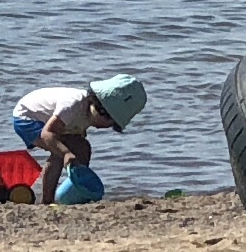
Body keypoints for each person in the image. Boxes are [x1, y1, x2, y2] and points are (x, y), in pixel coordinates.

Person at [13, 73, 146, 203]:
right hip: (28, 118)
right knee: (60, 150)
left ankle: (78, 189)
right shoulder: (73, 105)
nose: (106, 128)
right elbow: (47, 134)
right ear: (101, 112)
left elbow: (77, 131)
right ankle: (47, 200)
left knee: (83, 147)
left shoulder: (88, 112)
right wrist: (66, 153)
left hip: (53, 122)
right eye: (110, 124)